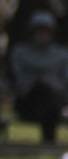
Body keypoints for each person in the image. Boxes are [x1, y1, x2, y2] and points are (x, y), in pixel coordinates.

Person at [9, 10, 68, 144]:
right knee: (43, 90)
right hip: (29, 101)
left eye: (45, 31)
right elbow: (18, 80)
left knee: (50, 97)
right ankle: (49, 141)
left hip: (55, 102)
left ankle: (49, 142)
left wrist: (50, 84)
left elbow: (65, 83)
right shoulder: (20, 53)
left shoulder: (61, 56)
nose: (42, 35)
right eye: (39, 31)